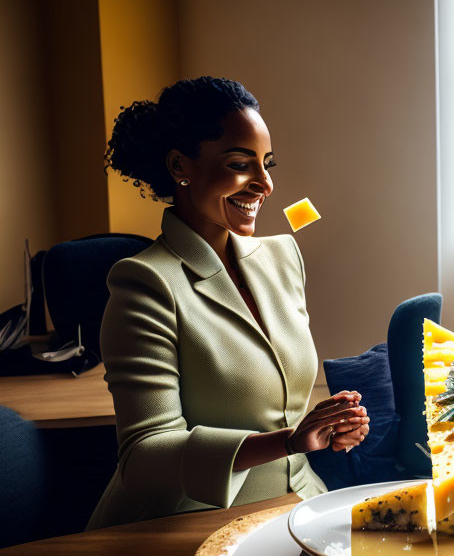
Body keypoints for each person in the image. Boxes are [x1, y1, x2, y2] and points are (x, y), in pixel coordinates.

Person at [87, 77, 368, 529]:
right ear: (181, 166)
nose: (264, 185)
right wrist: (288, 442)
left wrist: (333, 427)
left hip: (299, 505)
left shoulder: (283, 257)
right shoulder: (144, 283)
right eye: (240, 164)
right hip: (188, 522)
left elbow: (282, 404)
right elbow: (143, 457)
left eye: (267, 164)